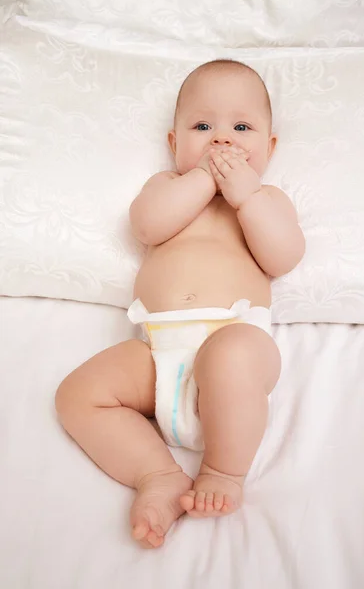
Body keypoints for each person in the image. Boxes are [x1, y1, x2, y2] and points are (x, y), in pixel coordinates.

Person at [55, 59, 306, 549]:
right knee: (76, 394)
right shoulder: (165, 187)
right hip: (156, 357)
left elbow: (285, 255)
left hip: (232, 340)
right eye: (202, 126)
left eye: (241, 127)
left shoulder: (267, 198)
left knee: (232, 355)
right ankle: (158, 474)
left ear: (269, 147)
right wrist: (204, 181)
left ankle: (222, 470)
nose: (222, 140)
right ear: (174, 143)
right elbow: (147, 226)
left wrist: (247, 195)